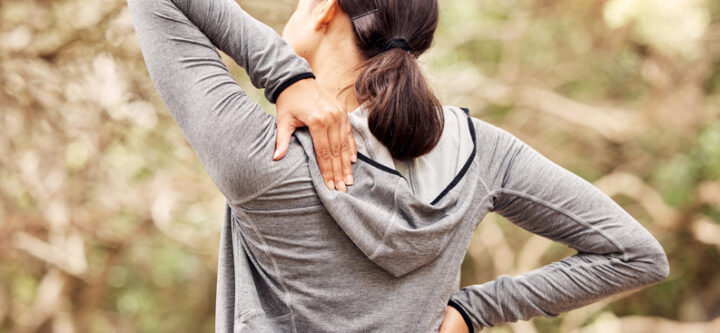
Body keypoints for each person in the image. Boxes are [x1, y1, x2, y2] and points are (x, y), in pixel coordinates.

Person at [126, 0, 670, 332]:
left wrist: (282, 75)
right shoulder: (483, 153)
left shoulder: (264, 157)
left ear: (326, 8)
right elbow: (636, 255)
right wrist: (476, 310)